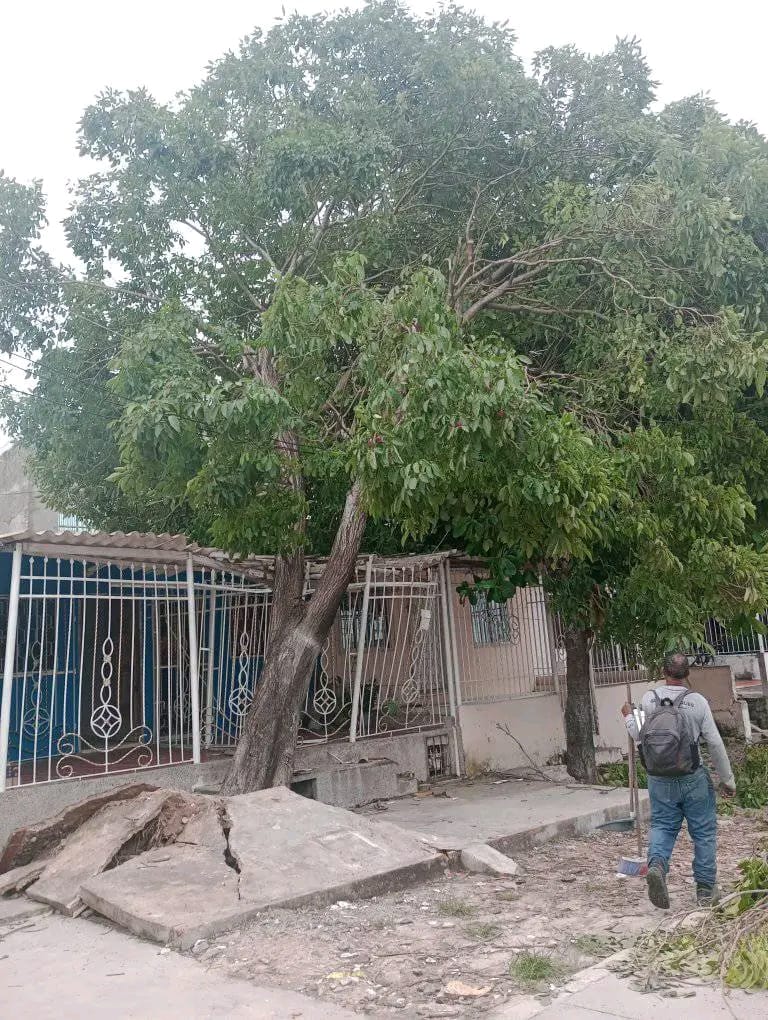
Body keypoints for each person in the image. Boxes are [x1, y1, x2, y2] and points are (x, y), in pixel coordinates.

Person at [621, 651, 736, 909]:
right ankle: (706, 889)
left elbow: (640, 736)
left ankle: (658, 866)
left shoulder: (649, 699)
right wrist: (728, 780)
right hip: (692, 777)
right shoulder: (697, 702)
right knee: (703, 832)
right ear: (687, 674)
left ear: (663, 672)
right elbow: (715, 743)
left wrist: (629, 715)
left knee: (662, 825)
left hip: (659, 779)